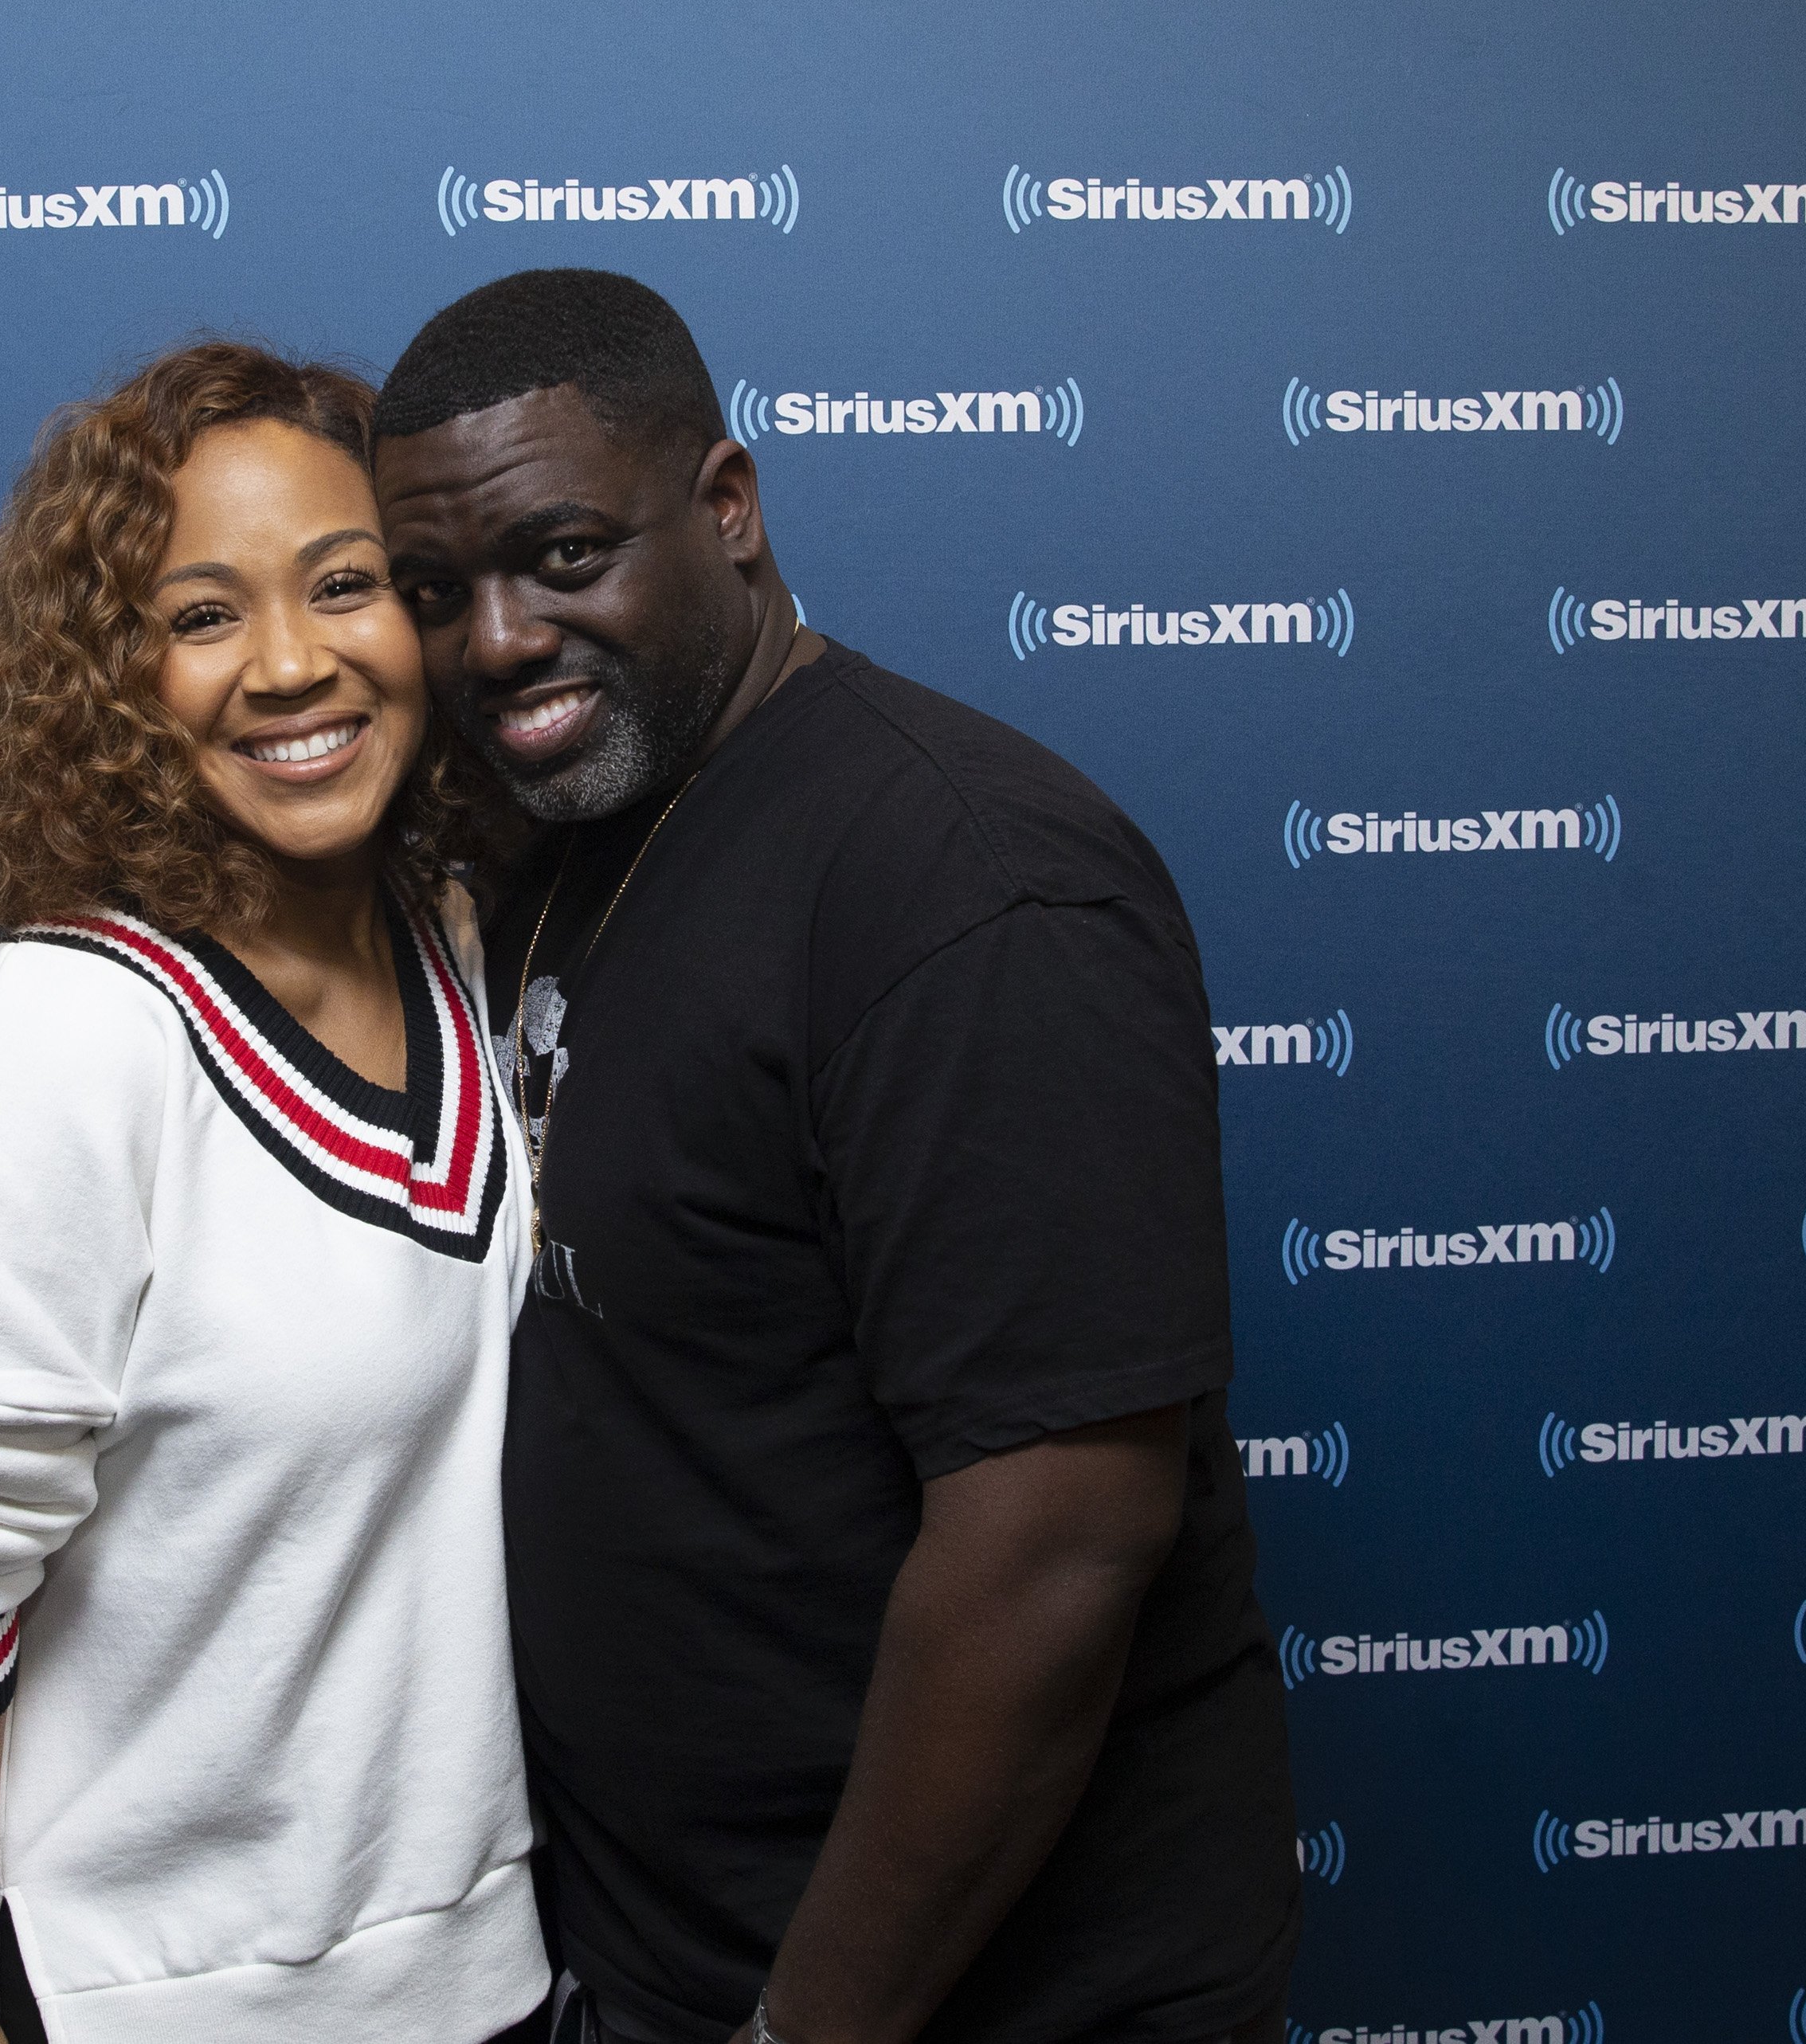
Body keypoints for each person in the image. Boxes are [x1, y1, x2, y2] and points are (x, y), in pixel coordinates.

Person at [370, 270, 1297, 2044]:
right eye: (434, 592)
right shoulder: (585, 832)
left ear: (726, 507)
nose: (490, 639)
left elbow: (1055, 1545)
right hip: (668, 1957)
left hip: (968, 1998)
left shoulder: (964, 883)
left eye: (561, 554)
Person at [0, 341, 552, 2044]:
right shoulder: (56, 1038)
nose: (290, 665)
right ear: (110, 677)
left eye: (343, 585)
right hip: (149, 1990)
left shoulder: (469, 947)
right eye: (201, 615)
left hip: (481, 1965)